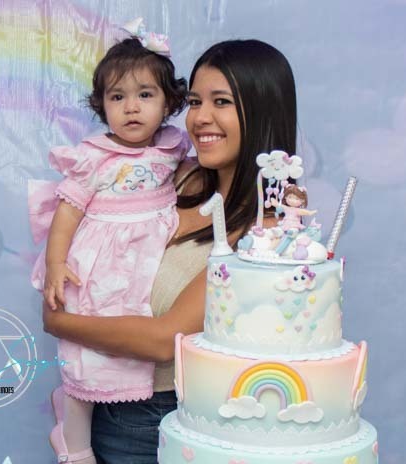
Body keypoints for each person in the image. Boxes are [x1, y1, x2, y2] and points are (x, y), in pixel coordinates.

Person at [42, 38, 299, 464]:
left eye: (221, 102)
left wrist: (60, 322)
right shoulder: (169, 177)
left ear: (262, 109)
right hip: (108, 408)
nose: (201, 118)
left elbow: (165, 340)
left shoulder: (269, 228)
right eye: (195, 101)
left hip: (172, 415)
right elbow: (83, 227)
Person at [29, 35, 188, 464]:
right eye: (118, 97)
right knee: (85, 357)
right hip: (100, 267)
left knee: (128, 346)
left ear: (169, 103)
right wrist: (56, 263)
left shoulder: (172, 149)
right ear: (102, 105)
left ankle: (82, 424)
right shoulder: (95, 158)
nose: (131, 107)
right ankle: (75, 444)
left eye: (145, 95)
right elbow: (67, 213)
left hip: (143, 266)